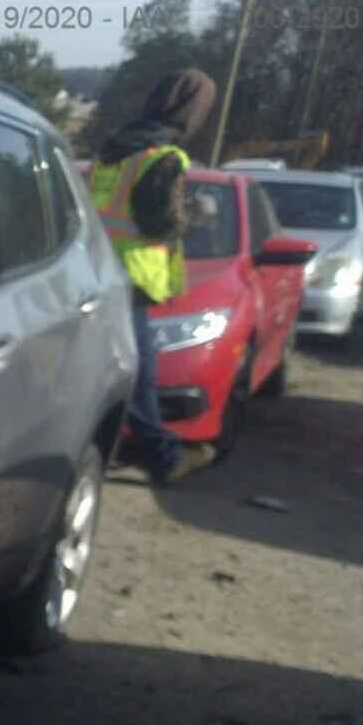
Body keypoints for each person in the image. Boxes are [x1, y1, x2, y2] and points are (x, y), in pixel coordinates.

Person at [88, 69, 219, 486]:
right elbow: (160, 222)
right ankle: (163, 457)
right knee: (139, 375)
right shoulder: (163, 157)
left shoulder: (116, 149)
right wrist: (197, 213)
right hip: (135, 278)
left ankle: (107, 448)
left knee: (108, 369)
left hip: (100, 269)